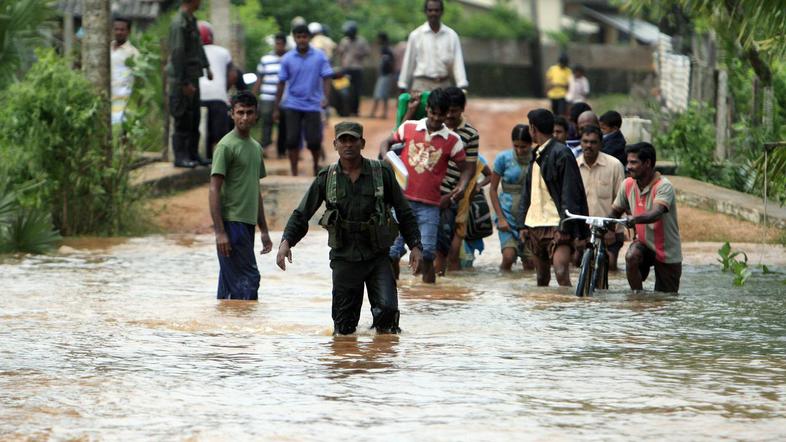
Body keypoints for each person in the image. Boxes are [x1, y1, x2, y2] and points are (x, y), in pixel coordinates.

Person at [277, 122, 423, 335]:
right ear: (335, 144)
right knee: (344, 329)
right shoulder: (327, 177)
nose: (348, 145)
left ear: (362, 143)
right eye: (343, 140)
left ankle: (381, 353)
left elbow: (404, 211)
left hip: (377, 256)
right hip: (344, 258)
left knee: (388, 315)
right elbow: (302, 213)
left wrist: (415, 245)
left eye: (353, 140)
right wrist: (286, 242)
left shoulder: (381, 172)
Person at [380, 88, 466, 283]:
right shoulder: (409, 127)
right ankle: (394, 290)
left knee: (427, 255)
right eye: (433, 113)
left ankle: (429, 295)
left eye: (440, 115)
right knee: (392, 253)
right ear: (427, 109)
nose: (435, 118)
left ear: (447, 114)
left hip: (430, 206)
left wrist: (460, 188)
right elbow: (386, 143)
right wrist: (387, 158)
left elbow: (467, 167)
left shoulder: (453, 140)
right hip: (401, 202)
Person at [209, 91, 273, 300]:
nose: (245, 117)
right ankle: (246, 321)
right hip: (231, 223)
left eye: (249, 112)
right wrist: (220, 232)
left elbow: (255, 190)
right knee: (249, 279)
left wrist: (264, 230)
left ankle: (229, 321)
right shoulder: (226, 146)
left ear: (256, 115)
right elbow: (214, 189)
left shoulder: (256, 148)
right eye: (240, 112)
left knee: (230, 287)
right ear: (232, 114)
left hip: (247, 224)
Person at [517, 108, 589, 287]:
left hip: (557, 224)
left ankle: (566, 305)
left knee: (561, 272)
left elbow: (570, 192)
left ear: (533, 129)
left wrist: (565, 226)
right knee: (541, 278)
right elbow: (528, 192)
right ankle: (549, 305)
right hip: (535, 224)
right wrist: (522, 224)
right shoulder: (536, 154)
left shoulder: (562, 153)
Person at [609, 142, 682, 293]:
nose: (628, 167)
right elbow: (615, 212)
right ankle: (637, 299)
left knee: (666, 299)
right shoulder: (627, 184)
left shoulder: (664, 186)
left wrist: (634, 219)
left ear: (647, 163)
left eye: (633, 162)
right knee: (631, 256)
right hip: (643, 244)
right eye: (628, 162)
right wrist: (603, 225)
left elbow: (656, 213)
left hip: (667, 250)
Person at [273, 24, 334, 176]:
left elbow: (327, 77)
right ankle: (294, 171)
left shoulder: (319, 56)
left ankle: (315, 166)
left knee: (314, 140)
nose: (301, 40)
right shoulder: (287, 58)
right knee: (292, 140)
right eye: (298, 37)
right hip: (292, 104)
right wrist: (276, 107)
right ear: (294, 38)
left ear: (309, 38)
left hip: (313, 104)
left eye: (304, 37)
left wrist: (326, 98)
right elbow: (281, 83)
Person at [434, 87, 476, 273]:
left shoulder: (470, 134)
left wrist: (455, 193)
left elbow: (470, 168)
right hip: (426, 195)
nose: (450, 115)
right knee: (423, 247)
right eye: (447, 111)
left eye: (454, 111)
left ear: (462, 109)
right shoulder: (433, 127)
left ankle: (436, 285)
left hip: (450, 197)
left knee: (443, 248)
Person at [166, 0, 212, 168]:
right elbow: (177, 53)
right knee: (182, 117)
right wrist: (183, 82)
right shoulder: (179, 23)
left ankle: (193, 154)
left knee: (194, 117)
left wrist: (206, 66)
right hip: (181, 80)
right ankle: (181, 157)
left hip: (193, 76)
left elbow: (198, 46)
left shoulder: (191, 20)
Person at [576, 125, 625, 270]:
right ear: (580, 143)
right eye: (585, 141)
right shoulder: (574, 166)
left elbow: (621, 199)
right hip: (583, 229)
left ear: (601, 144)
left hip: (609, 228)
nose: (588, 145)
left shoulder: (615, 165)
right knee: (575, 264)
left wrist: (612, 230)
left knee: (609, 266)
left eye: (593, 142)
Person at [397, 0, 468, 93]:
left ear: (442, 12)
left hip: (444, 84)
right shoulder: (416, 35)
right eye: (430, 10)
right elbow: (408, 62)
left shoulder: (451, 35)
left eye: (436, 10)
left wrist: (462, 84)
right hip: (421, 85)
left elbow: (458, 61)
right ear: (425, 12)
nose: (433, 13)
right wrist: (402, 84)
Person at [490, 125, 533, 272]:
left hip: (530, 218)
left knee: (531, 263)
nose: (519, 150)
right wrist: (501, 218)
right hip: (507, 215)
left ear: (531, 143)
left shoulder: (537, 159)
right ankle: (504, 282)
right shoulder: (503, 159)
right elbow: (493, 189)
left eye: (524, 147)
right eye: (516, 146)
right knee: (508, 257)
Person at [198, 21, 232, 162]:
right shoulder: (223, 52)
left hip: (199, 96)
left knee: (202, 132)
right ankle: (221, 162)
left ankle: (204, 158)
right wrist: (225, 89)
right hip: (218, 96)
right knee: (220, 135)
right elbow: (233, 75)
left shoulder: (194, 52)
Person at [253, 33, 287, 159]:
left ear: (284, 44)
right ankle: (265, 147)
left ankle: (281, 150)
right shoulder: (265, 59)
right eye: (277, 43)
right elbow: (259, 79)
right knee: (266, 122)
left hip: (284, 97)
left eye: (281, 44)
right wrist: (254, 96)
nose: (278, 46)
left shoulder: (289, 59)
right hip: (267, 96)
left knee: (283, 123)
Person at [335, 21, 370, 116]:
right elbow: (340, 53)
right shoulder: (344, 41)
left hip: (357, 69)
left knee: (357, 91)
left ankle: (355, 110)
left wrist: (359, 54)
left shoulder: (361, 41)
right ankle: (345, 109)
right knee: (344, 89)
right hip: (346, 68)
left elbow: (367, 52)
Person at [110, 17, 140, 125]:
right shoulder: (106, 48)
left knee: (120, 131)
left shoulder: (133, 53)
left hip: (123, 101)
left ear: (128, 32)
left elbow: (138, 79)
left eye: (122, 30)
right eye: (116, 29)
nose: (119, 32)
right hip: (105, 98)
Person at [369, 32, 395, 119]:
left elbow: (387, 63)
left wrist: (387, 72)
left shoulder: (385, 49)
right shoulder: (387, 49)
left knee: (378, 94)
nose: (377, 40)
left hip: (385, 74)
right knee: (383, 94)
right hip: (385, 74)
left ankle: (374, 113)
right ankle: (383, 113)